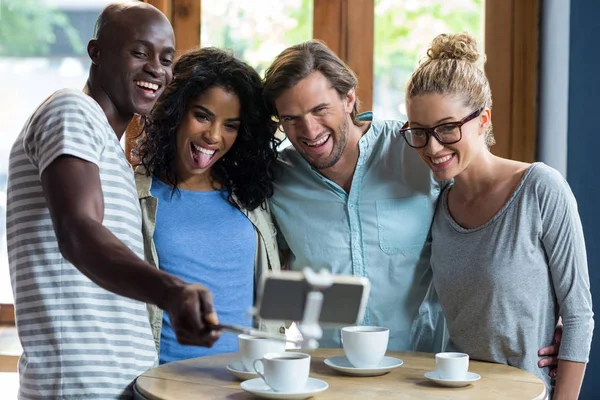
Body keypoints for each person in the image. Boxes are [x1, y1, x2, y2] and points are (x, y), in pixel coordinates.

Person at [262, 40, 562, 368]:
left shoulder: (418, 151)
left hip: (423, 372)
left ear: (348, 99)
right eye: (291, 118)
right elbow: (266, 263)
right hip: (327, 372)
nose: (309, 130)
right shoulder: (277, 180)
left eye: (320, 110)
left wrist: (547, 317)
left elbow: (490, 227)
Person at [6, 3, 217, 399]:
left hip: (118, 385)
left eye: (166, 59)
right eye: (139, 53)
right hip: (78, 388)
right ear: (96, 52)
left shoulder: (113, 155)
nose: (157, 69)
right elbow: (79, 232)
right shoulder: (72, 110)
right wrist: (172, 291)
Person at [402, 32, 594, 397]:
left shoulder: (540, 189)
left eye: (447, 128)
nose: (432, 146)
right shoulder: (438, 206)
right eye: (420, 132)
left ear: (483, 119)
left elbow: (578, 316)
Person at [135, 47, 283, 364]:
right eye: (202, 116)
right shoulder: (134, 196)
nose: (214, 136)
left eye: (230, 125)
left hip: (247, 381)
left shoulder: (251, 198)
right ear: (175, 111)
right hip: (161, 382)